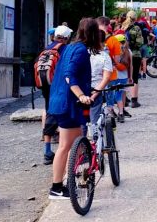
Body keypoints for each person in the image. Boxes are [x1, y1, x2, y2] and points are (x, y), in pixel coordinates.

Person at [47, 17, 102, 200]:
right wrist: (81, 95)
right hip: (68, 103)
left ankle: (71, 179)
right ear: (94, 34)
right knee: (64, 146)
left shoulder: (70, 47)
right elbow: (70, 75)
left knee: (76, 142)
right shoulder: (80, 51)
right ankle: (56, 187)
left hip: (60, 100)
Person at [40, 25, 72, 165]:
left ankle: (47, 150)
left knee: (49, 112)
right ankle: (63, 149)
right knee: (63, 113)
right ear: (65, 38)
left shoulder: (46, 49)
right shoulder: (65, 49)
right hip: (58, 86)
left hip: (45, 86)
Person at [122, 10, 143, 108]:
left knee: (124, 77)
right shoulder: (136, 28)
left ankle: (124, 99)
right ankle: (134, 101)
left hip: (124, 55)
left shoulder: (122, 27)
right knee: (134, 77)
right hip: (135, 55)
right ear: (135, 18)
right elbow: (140, 43)